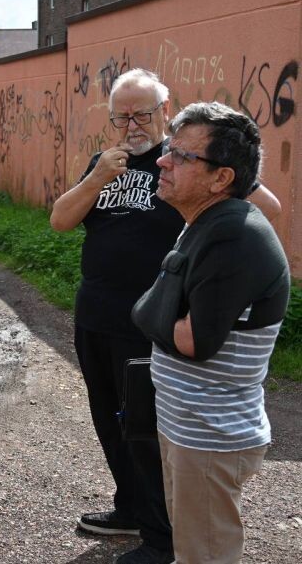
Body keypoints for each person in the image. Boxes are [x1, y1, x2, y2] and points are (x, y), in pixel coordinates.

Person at [50, 69, 280, 564]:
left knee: (151, 433)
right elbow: (60, 220)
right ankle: (132, 508)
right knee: (111, 422)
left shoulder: (191, 163)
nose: (132, 125)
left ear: (165, 110)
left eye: (142, 114)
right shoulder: (106, 164)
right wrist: (97, 177)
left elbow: (265, 206)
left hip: (158, 325)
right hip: (97, 314)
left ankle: (162, 533)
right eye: (121, 117)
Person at [131, 101, 290, 564]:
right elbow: (165, 313)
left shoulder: (232, 235)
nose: (163, 161)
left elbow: (193, 340)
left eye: (181, 156)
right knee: (192, 548)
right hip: (189, 426)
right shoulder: (203, 222)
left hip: (209, 435)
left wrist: (153, 309)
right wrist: (161, 307)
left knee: (206, 556)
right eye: (169, 149)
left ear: (221, 177)